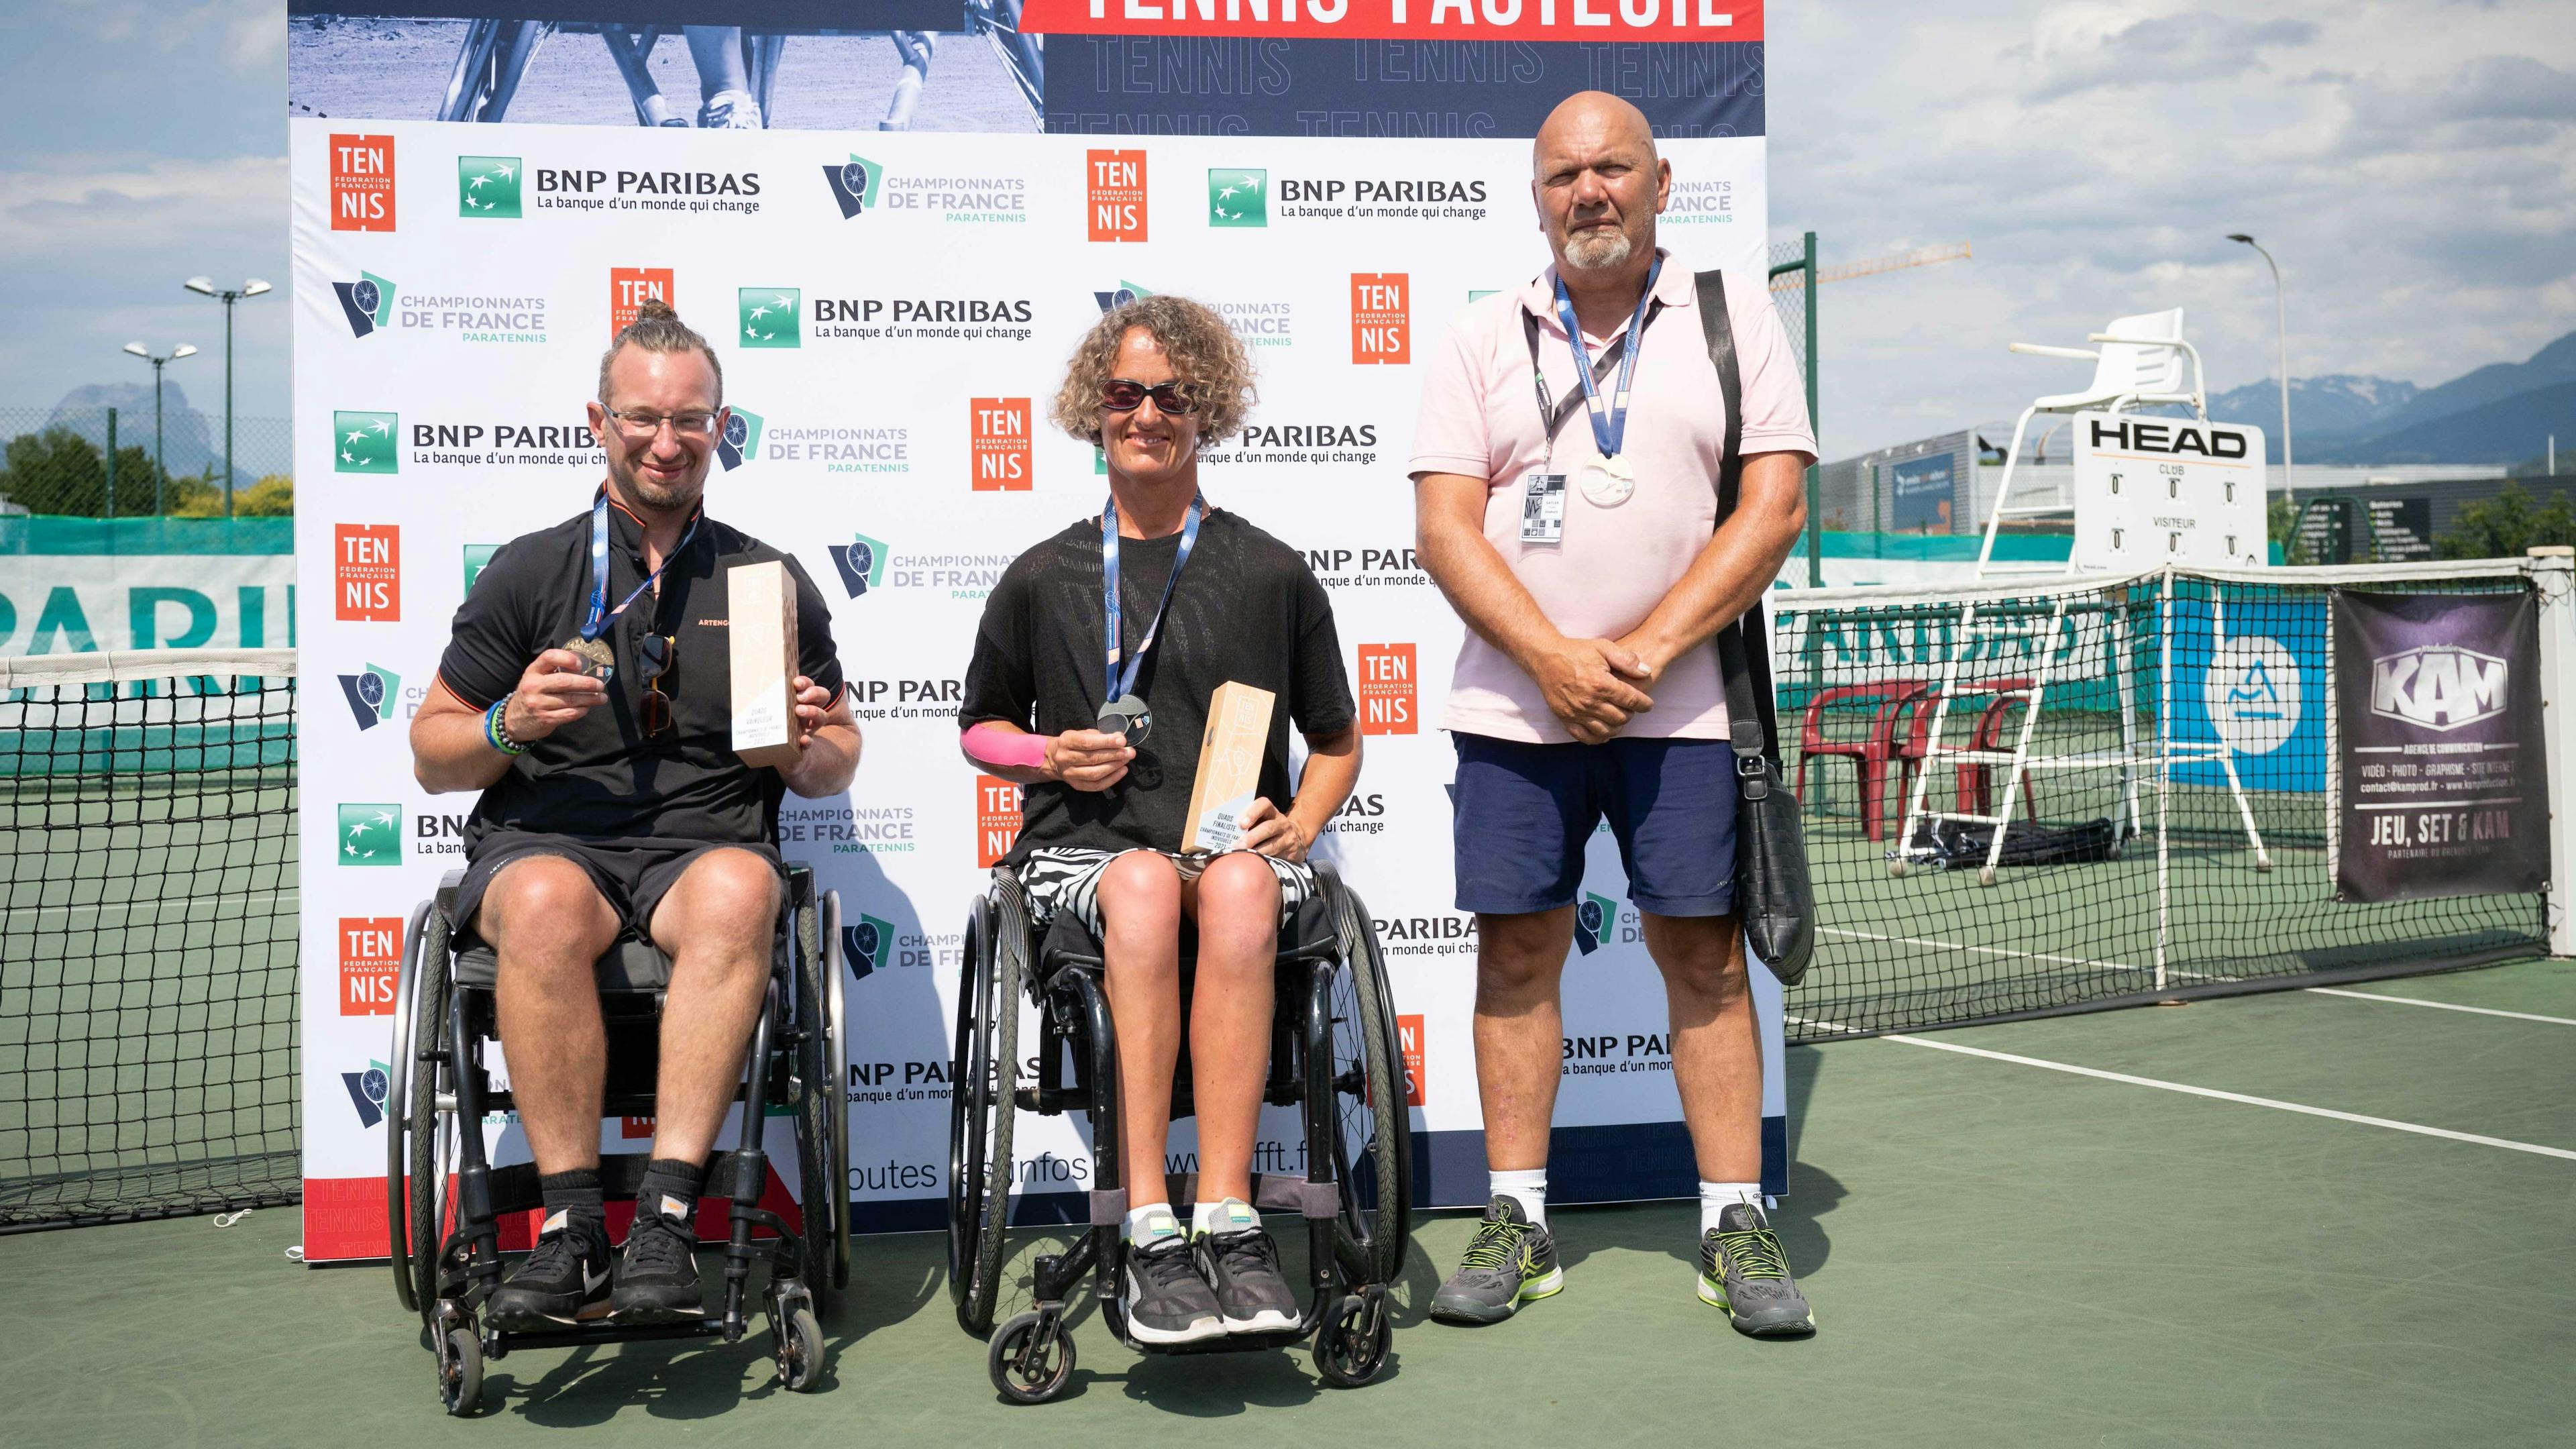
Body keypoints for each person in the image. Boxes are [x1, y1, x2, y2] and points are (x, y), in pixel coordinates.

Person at [1407, 91, 1818, 1334]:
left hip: (1688, 709)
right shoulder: (1484, 336)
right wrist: (1554, 663)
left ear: (1661, 180)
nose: (1589, 191)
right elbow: (1443, 527)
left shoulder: (1733, 313)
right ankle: (1518, 1220)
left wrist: (1635, 654)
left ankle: (1734, 1221)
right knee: (1517, 953)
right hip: (1514, 713)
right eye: (1563, 175)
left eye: (1612, 169)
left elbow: (1775, 510)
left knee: (1703, 959)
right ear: (1537, 195)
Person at [410, 299, 859, 1329]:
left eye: (690, 419)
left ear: (720, 426)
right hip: (550, 839)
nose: (668, 441)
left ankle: (664, 1217)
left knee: (745, 885)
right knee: (539, 906)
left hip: (706, 846)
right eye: (644, 418)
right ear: (599, 423)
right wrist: (508, 721)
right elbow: (435, 755)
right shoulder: (532, 568)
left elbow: (835, 760)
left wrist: (800, 744)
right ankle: (571, 1233)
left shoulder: (764, 579)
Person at [958, 294, 1362, 1345]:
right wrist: (1047, 753)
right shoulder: (1042, 574)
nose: (1147, 413)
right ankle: (1148, 1226)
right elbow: (978, 732)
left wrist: (1305, 821)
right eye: (1126, 393)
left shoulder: (1271, 569)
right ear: (1095, 409)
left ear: (1207, 411)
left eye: (1172, 395)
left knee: (1234, 886)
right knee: (1139, 879)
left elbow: (1337, 740)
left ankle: (1226, 1220)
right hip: (1084, 857)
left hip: (1228, 852)